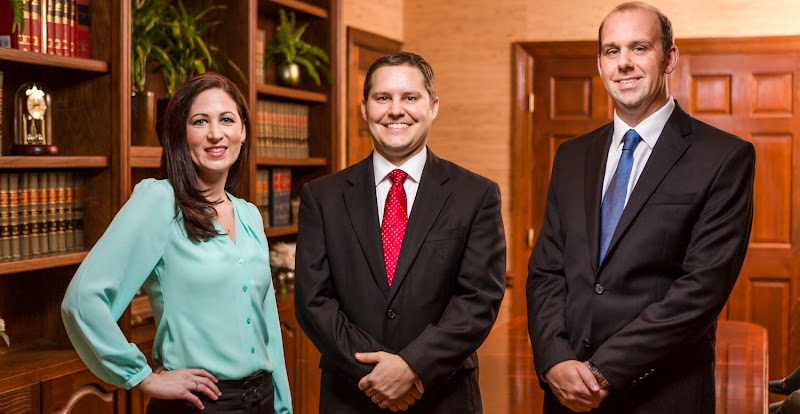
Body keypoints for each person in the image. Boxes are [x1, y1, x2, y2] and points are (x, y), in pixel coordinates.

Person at [526, 2, 755, 413]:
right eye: (611, 51)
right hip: (567, 394)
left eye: (639, 48)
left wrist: (603, 371)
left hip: (663, 394)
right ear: (600, 64)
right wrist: (553, 360)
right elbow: (546, 271)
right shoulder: (572, 156)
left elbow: (701, 290)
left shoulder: (724, 157)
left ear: (669, 58)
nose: (624, 63)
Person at [62, 73, 292, 414]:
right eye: (200, 121)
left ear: (243, 131)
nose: (215, 133)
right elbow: (82, 300)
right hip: (198, 405)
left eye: (227, 120)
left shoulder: (249, 214)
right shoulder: (159, 201)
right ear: (180, 135)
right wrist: (142, 376)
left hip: (262, 400)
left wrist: (283, 406)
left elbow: (268, 323)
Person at [294, 51, 506, 413]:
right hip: (352, 395)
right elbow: (313, 302)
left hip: (444, 397)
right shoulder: (322, 197)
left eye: (410, 97)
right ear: (364, 109)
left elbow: (479, 299)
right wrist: (378, 373)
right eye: (382, 98)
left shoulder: (476, 195)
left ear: (433, 106)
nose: (396, 110)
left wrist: (412, 367)